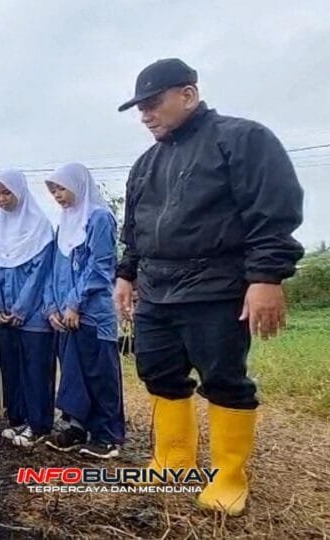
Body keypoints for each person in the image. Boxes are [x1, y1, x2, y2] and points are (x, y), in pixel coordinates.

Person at [115, 59, 304, 515]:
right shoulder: (145, 164)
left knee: (223, 379)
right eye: (140, 108)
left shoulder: (242, 139)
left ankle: (228, 475)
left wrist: (266, 277)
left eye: (152, 103)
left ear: (188, 94)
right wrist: (126, 274)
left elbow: (272, 212)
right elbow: (134, 229)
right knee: (158, 373)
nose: (145, 115)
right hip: (157, 288)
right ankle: (173, 461)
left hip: (217, 286)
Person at [42, 163, 125, 460]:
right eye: (53, 191)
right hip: (66, 315)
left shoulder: (98, 217)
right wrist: (52, 306)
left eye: (61, 188)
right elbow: (55, 269)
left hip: (93, 313)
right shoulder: (65, 222)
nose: (57, 195)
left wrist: (74, 303)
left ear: (78, 185)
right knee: (73, 374)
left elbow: (100, 267)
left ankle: (107, 436)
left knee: (100, 374)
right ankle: (77, 428)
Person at [0, 169, 56, 447]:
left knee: (36, 370)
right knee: (11, 368)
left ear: (20, 191)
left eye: (7, 193)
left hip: (33, 315)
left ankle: (38, 424)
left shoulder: (39, 226)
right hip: (4, 315)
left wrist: (20, 309)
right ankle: (17, 419)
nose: (2, 199)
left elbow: (40, 274)